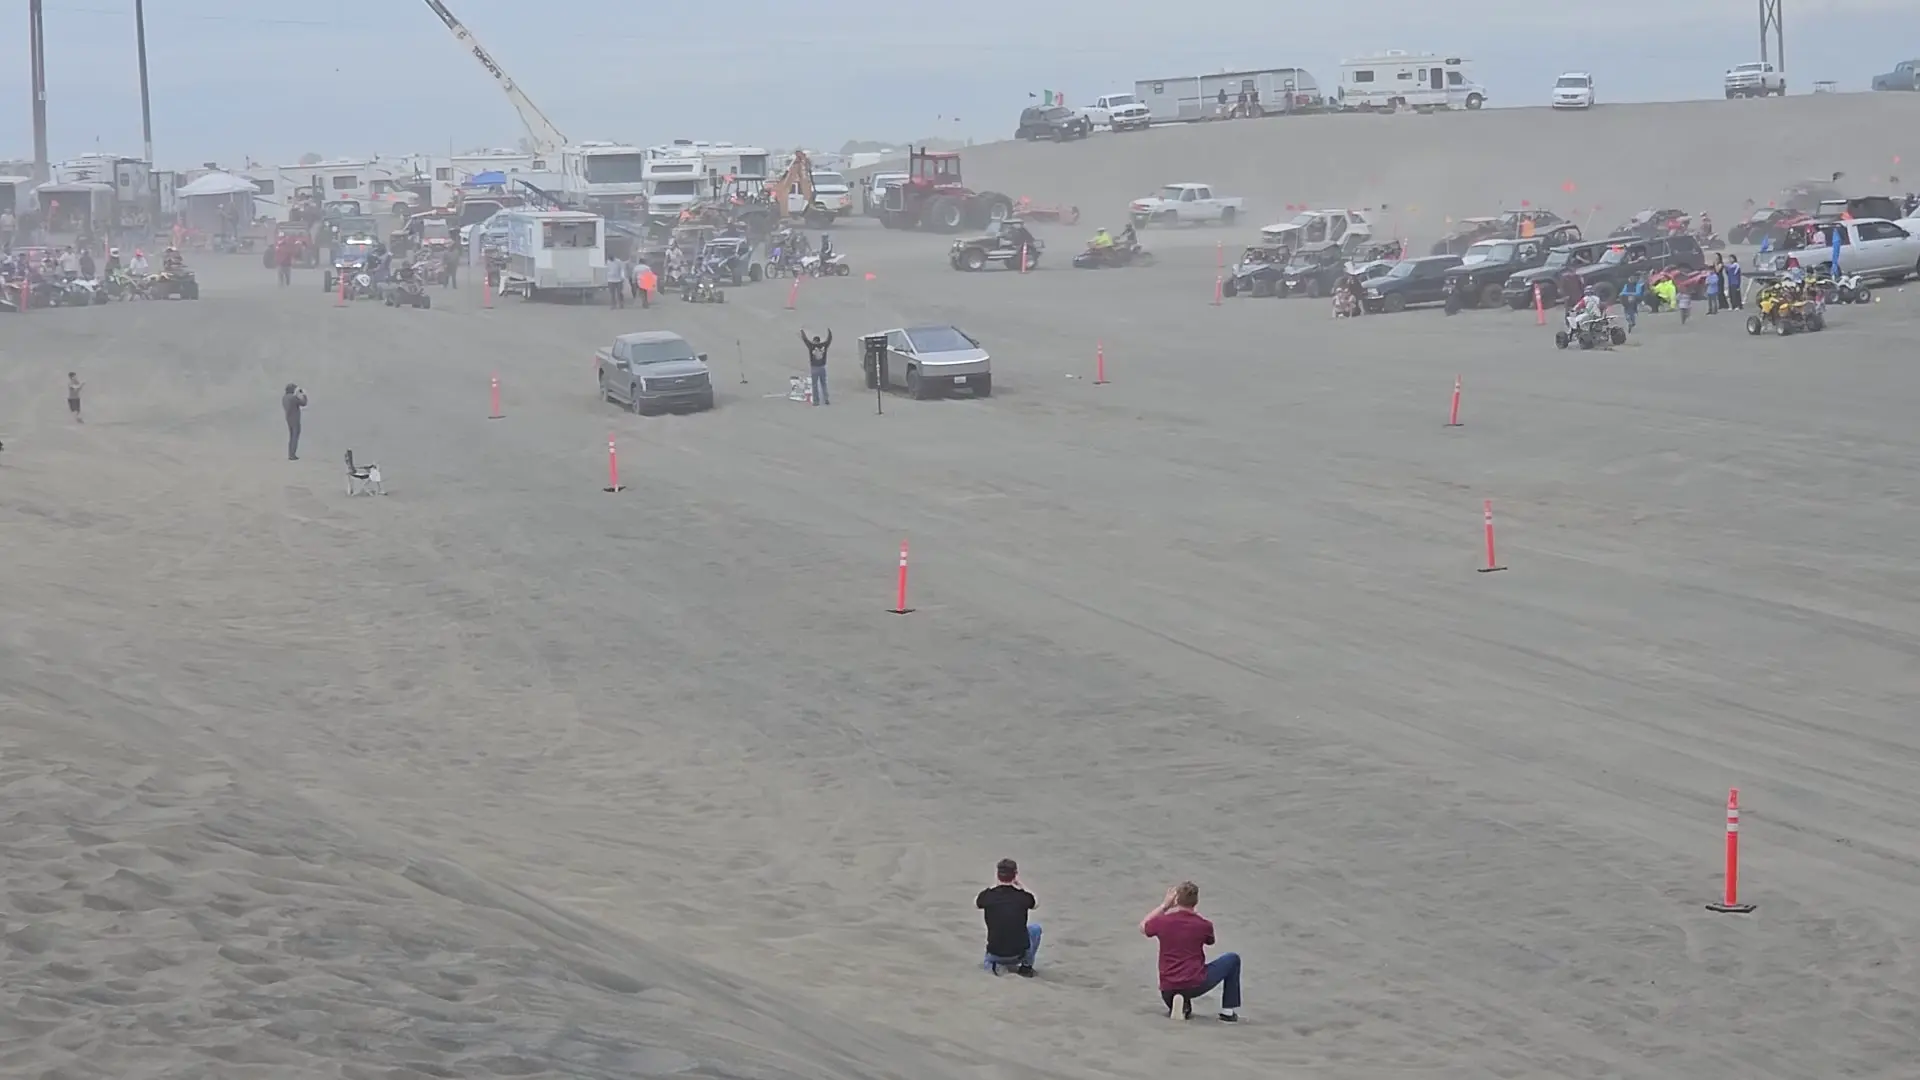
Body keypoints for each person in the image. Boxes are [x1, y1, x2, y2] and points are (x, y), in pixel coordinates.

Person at [1141, 882, 1240, 1022]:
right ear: (1196, 901)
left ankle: (1180, 1004)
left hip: (1167, 986)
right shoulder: (1204, 925)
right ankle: (1228, 1012)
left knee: (1179, 997)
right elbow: (1210, 941)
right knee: (1232, 959)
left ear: (1176, 900)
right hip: (1195, 983)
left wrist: (1164, 906)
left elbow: (1143, 927)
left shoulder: (1163, 921)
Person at [976, 858, 1040, 977]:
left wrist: (995, 885)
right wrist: (1020, 885)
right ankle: (1026, 967)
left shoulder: (987, 896)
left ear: (997, 874)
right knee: (1035, 928)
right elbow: (1036, 904)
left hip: (995, 954)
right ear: (1015, 874)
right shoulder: (1023, 897)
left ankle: (995, 967)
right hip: (1019, 954)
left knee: (989, 960)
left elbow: (976, 904)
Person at [800, 327, 831, 405]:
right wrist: (829, 331)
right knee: (823, 384)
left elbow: (805, 340)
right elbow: (829, 339)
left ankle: (816, 401)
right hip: (822, 367)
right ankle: (826, 399)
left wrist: (802, 332)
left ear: (814, 341)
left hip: (814, 368)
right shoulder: (824, 345)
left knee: (814, 385)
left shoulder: (811, 346)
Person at [282, 383, 308, 461]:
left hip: (288, 418)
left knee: (291, 436)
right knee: (295, 437)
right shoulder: (293, 398)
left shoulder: (284, 398)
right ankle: (292, 455)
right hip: (295, 419)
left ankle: (290, 453)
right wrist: (304, 395)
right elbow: (303, 403)